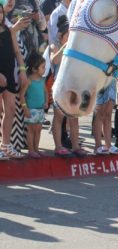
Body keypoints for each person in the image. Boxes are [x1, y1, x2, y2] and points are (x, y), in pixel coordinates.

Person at [50, 14, 86, 157]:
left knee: (74, 117)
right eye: (68, 35)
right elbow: (55, 60)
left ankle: (75, 145)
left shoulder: (77, 49)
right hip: (60, 86)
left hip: (74, 86)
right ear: (62, 36)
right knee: (58, 117)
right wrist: (65, 46)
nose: (71, 37)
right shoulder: (55, 45)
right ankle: (58, 146)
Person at [0, 2, 27, 159]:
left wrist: (22, 71)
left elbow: (17, 51)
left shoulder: (9, 30)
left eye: (1, 13)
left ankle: (6, 145)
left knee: (10, 110)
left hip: (10, 75)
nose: (0, 16)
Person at [19, 51, 47, 158]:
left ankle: (36, 149)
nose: (45, 69)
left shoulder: (42, 80)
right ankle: (31, 150)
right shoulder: (29, 80)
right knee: (31, 130)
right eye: (43, 67)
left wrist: (45, 102)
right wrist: (25, 108)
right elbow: (21, 95)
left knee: (38, 130)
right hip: (31, 109)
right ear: (34, 69)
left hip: (40, 109)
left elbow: (45, 91)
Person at [93, 79, 118, 155]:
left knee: (108, 115)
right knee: (99, 114)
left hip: (112, 77)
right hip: (101, 75)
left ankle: (108, 145)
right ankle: (97, 145)